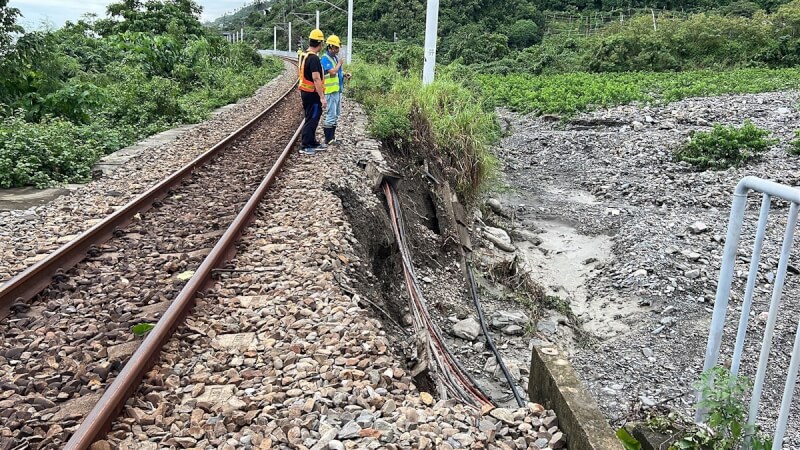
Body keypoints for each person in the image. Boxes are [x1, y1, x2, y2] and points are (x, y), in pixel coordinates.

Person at [297, 29, 328, 155]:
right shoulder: (314, 58)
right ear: (320, 43)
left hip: (306, 92)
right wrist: (322, 97)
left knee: (312, 117)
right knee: (312, 117)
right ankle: (306, 145)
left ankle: (312, 141)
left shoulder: (305, 55)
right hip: (312, 94)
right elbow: (316, 78)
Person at [320, 35, 350, 145]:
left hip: (337, 90)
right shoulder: (325, 58)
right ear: (330, 47)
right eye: (336, 48)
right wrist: (339, 64)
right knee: (331, 115)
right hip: (330, 91)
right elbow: (332, 72)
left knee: (336, 114)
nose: (338, 50)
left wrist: (344, 75)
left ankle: (332, 137)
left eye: (338, 48)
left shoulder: (335, 58)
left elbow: (337, 73)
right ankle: (329, 139)